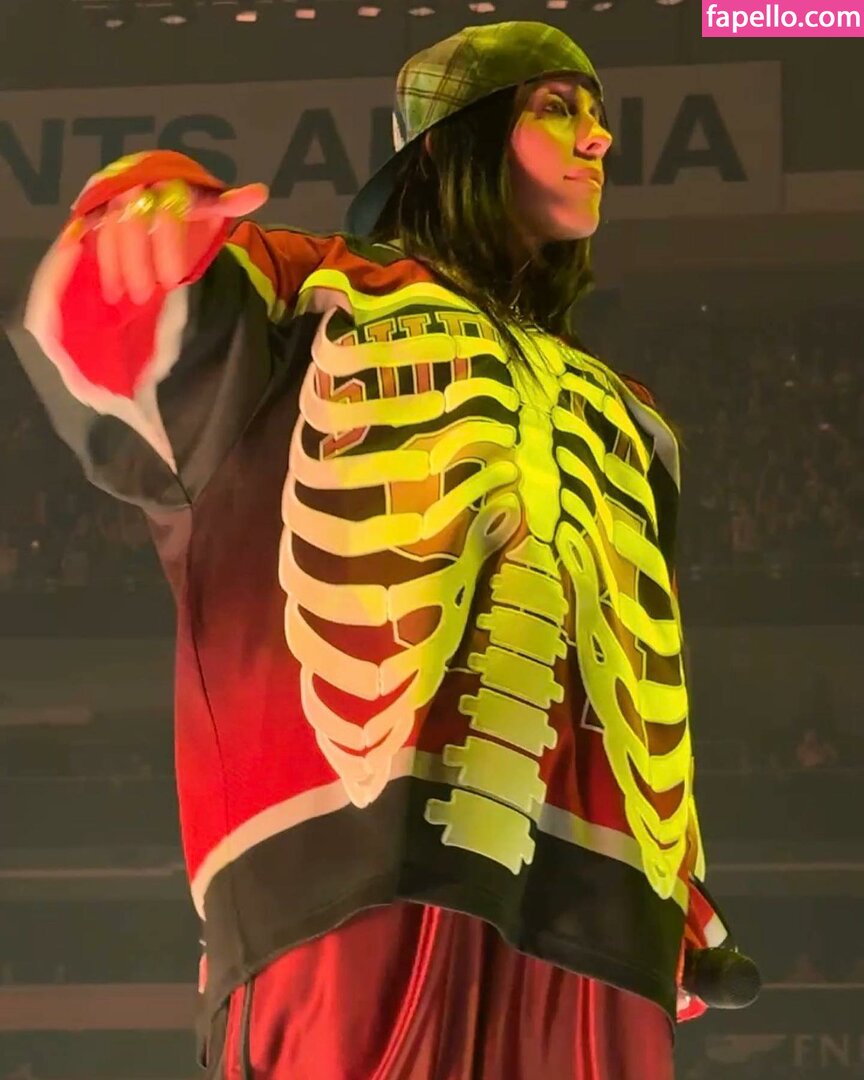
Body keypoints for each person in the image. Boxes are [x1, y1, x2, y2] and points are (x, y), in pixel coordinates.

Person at [9, 21, 752, 1080]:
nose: (598, 139)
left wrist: (677, 878)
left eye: (596, 116)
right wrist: (139, 216)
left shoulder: (636, 420)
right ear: (452, 141)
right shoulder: (318, 291)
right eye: (557, 109)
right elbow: (117, 332)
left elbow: (640, 667)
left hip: (603, 922)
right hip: (351, 880)